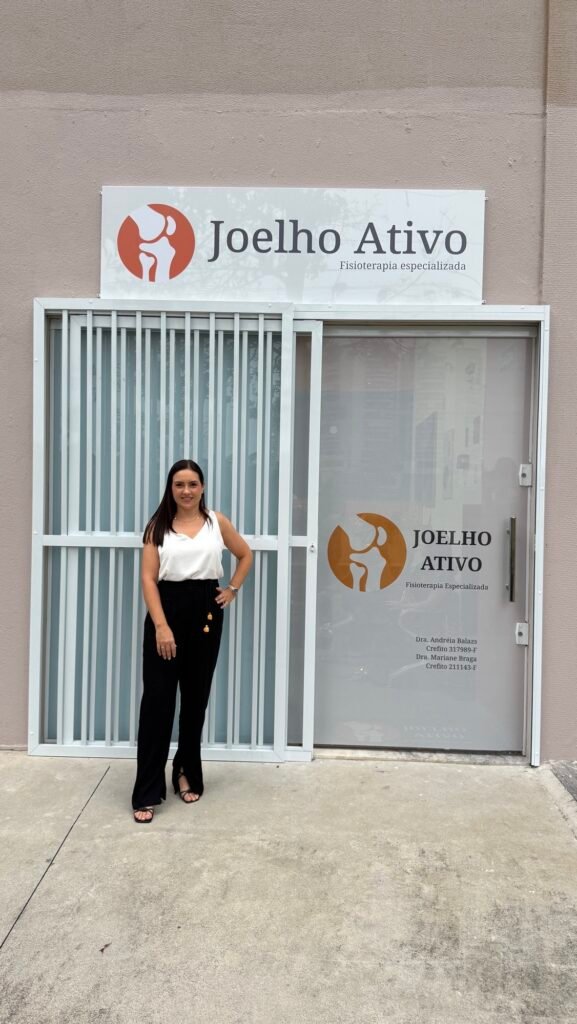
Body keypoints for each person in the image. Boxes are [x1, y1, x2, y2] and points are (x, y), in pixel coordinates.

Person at [132, 459, 253, 823]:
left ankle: (186, 770)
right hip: (166, 612)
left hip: (205, 614)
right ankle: (147, 789)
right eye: (179, 484)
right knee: (157, 703)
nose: (186, 491)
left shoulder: (217, 522)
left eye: (192, 484)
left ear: (202, 487)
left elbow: (245, 554)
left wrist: (232, 589)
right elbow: (148, 579)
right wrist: (161, 626)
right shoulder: (158, 526)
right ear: (171, 489)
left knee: (195, 700)